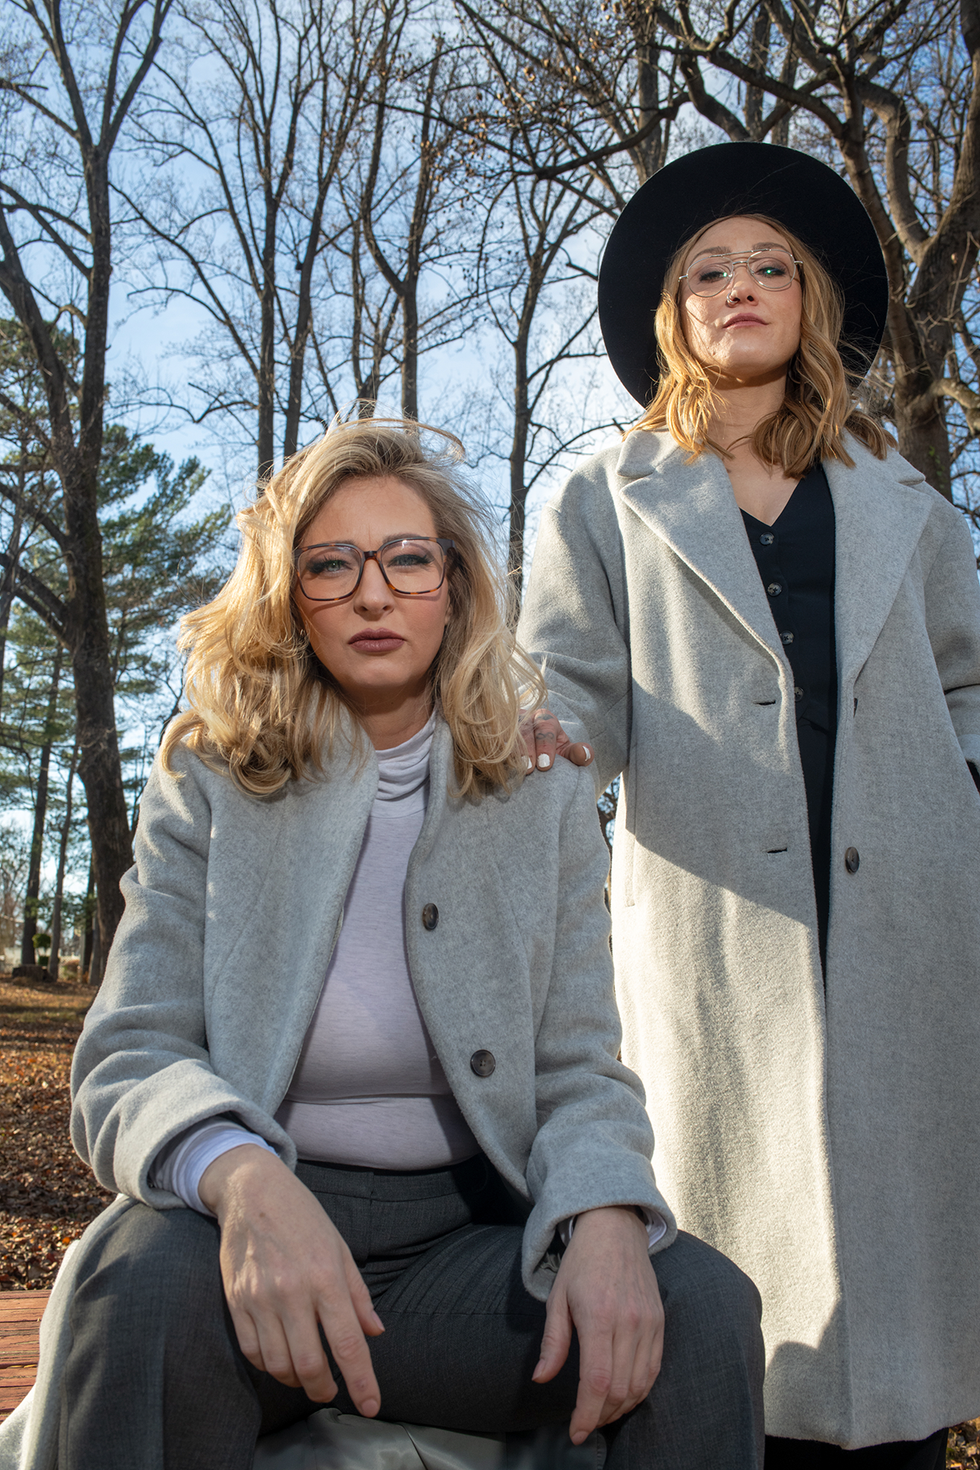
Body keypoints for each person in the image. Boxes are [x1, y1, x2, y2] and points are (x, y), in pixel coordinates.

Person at [0, 419, 764, 1470]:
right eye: (331, 564)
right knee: (132, 1289)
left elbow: (579, 1068)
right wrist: (244, 1182)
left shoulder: (541, 795)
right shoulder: (211, 776)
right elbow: (128, 1054)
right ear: (288, 594)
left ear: (452, 585)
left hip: (458, 1254)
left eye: (407, 558)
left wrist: (604, 1212)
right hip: (242, 1241)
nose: (372, 592)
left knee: (703, 1311)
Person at [517, 142, 980, 1469]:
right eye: (708, 269)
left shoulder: (912, 505)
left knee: (907, 1337)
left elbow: (972, 689)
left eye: (770, 264)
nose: (740, 285)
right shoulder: (607, 497)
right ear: (673, 314)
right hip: (723, 933)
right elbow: (574, 694)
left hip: (915, 932)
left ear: (810, 304)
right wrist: (539, 742)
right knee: (733, 1331)